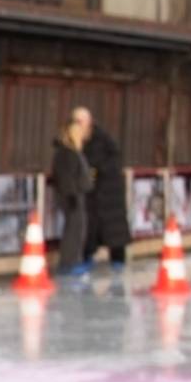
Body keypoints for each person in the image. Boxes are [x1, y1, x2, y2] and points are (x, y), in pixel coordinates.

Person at [77, 107, 132, 275]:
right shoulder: (79, 141)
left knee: (114, 230)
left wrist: (99, 171)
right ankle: (87, 257)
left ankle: (118, 261)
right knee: (90, 227)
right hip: (93, 193)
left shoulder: (103, 140)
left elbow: (113, 161)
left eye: (80, 121)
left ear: (89, 122)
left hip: (110, 192)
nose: (78, 125)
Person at [49, 116, 96, 282]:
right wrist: (71, 196)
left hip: (78, 194)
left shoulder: (75, 152)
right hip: (71, 196)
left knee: (79, 228)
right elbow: (65, 177)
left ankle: (74, 260)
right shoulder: (66, 153)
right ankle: (67, 264)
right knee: (73, 229)